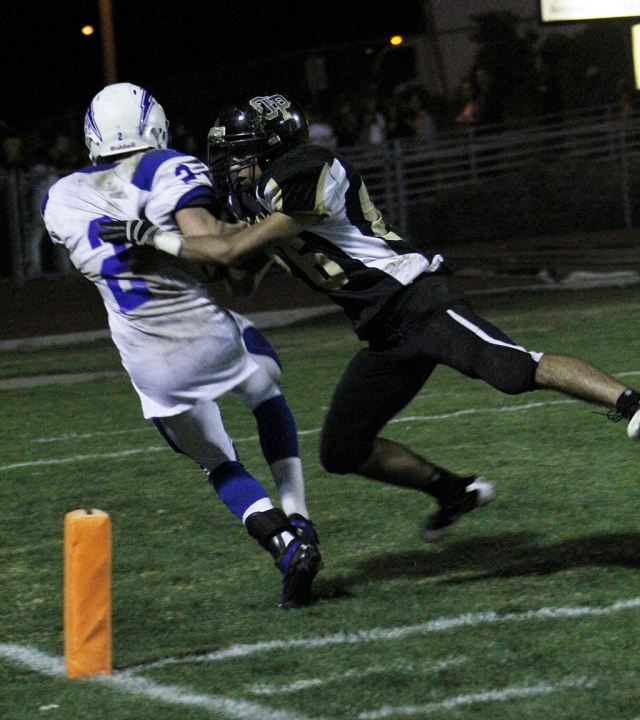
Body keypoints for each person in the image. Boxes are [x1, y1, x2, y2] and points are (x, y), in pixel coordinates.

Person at [98, 92, 640, 542]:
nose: (231, 167)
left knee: (510, 368)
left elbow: (231, 252)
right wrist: (162, 261)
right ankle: (454, 491)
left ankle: (631, 401)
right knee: (342, 449)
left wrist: (157, 236)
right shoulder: (261, 200)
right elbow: (239, 275)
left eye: (240, 154)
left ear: (272, 147)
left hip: (415, 296)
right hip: (383, 329)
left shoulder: (308, 169)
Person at [42, 83, 321, 608]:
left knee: (218, 463)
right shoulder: (165, 167)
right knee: (265, 388)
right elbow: (218, 252)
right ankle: (299, 516)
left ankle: (282, 545)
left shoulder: (58, 198)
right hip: (204, 330)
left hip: (146, 354)